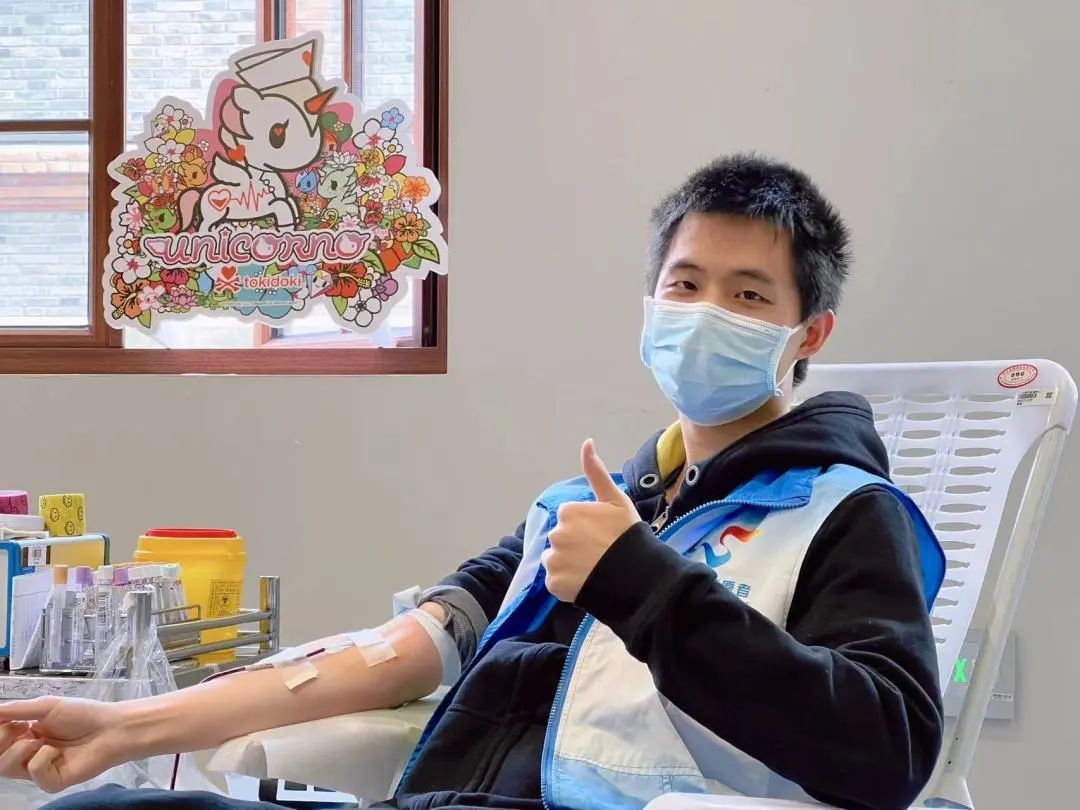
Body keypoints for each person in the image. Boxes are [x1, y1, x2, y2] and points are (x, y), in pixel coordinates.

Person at [0, 154, 945, 810]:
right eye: (685, 284)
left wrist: (649, 588)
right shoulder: (585, 510)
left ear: (809, 334)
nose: (705, 313)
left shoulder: (845, 514)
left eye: (747, 295)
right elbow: (398, 653)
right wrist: (126, 727)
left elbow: (890, 750)